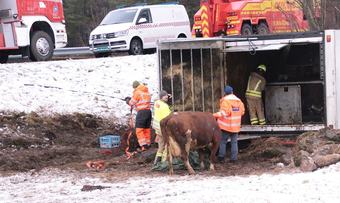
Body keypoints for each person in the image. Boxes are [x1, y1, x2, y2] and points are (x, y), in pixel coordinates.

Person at [214, 85, 245, 163]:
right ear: (232, 92)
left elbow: (224, 113)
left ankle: (221, 157)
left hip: (226, 127)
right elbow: (242, 112)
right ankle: (234, 159)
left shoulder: (226, 101)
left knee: (223, 141)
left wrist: (212, 115)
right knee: (234, 142)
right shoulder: (239, 101)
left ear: (225, 93)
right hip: (236, 127)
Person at [125, 80, 152, 151]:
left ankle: (143, 145)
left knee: (139, 130)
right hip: (148, 112)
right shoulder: (147, 92)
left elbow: (132, 102)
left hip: (142, 112)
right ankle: (148, 144)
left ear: (135, 87)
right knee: (146, 129)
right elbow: (141, 101)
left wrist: (128, 101)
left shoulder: (137, 92)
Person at [152, 90, 172, 166]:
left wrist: (166, 97)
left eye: (167, 96)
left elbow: (157, 99)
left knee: (161, 144)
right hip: (162, 127)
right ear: (161, 97)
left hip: (156, 126)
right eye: (165, 96)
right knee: (167, 143)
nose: (166, 97)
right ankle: (164, 162)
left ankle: (156, 162)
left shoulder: (156, 103)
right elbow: (169, 117)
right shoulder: (165, 106)